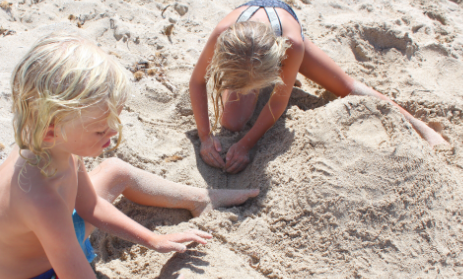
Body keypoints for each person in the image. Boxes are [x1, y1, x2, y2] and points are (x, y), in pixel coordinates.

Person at [0, 32, 259, 279]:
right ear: (51, 129)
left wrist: (153, 239)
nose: (112, 133)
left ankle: (199, 198)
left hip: (57, 242)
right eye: (99, 129)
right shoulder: (41, 200)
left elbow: (91, 206)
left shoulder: (55, 147)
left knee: (114, 171)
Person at [189, 0, 448, 174]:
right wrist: (204, 137)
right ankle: (247, 79)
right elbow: (198, 81)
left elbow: (278, 101)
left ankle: (422, 128)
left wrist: (247, 143)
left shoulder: (292, 46)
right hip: (247, 37)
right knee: (231, 122)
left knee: (346, 86)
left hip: (281, 23)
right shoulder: (222, 35)